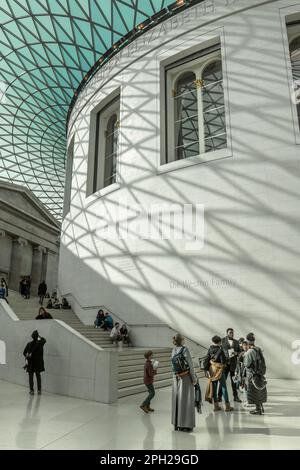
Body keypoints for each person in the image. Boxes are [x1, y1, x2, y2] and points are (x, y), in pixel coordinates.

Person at [171, 334, 197, 432]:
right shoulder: (185, 349)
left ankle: (176, 423)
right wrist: (193, 378)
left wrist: (175, 375)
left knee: (177, 399)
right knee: (187, 399)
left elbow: (172, 365)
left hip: (176, 377)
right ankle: (186, 424)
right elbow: (190, 365)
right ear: (181, 340)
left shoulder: (173, 350)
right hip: (185, 377)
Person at [204, 335, 234, 412]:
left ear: (213, 341)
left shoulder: (210, 349)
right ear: (220, 342)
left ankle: (216, 406)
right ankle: (227, 407)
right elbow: (223, 361)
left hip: (212, 370)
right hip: (219, 370)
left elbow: (206, 359)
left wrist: (206, 370)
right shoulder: (220, 350)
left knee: (214, 388)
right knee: (223, 387)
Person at [243, 332, 267, 415]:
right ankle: (260, 408)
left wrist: (244, 356)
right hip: (260, 373)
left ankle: (258, 410)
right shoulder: (258, 349)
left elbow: (246, 364)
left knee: (254, 391)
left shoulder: (250, 351)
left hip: (252, 374)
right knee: (259, 390)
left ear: (247, 340)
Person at [218, 328, 241, 403]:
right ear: (227, 333)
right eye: (230, 332)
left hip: (233, 364)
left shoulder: (236, 342)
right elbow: (219, 351)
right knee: (222, 381)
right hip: (224, 364)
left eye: (233, 332)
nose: (232, 334)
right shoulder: (222, 340)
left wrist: (236, 353)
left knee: (234, 381)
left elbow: (239, 351)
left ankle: (236, 396)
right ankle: (219, 396)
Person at [23, 330, 46, 395]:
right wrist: (39, 336)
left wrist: (27, 355)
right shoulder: (40, 343)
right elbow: (44, 339)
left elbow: (24, 352)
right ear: (37, 336)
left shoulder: (29, 344)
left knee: (31, 377)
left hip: (31, 363)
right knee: (38, 376)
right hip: (37, 364)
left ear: (32, 337)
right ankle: (39, 390)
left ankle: (32, 390)